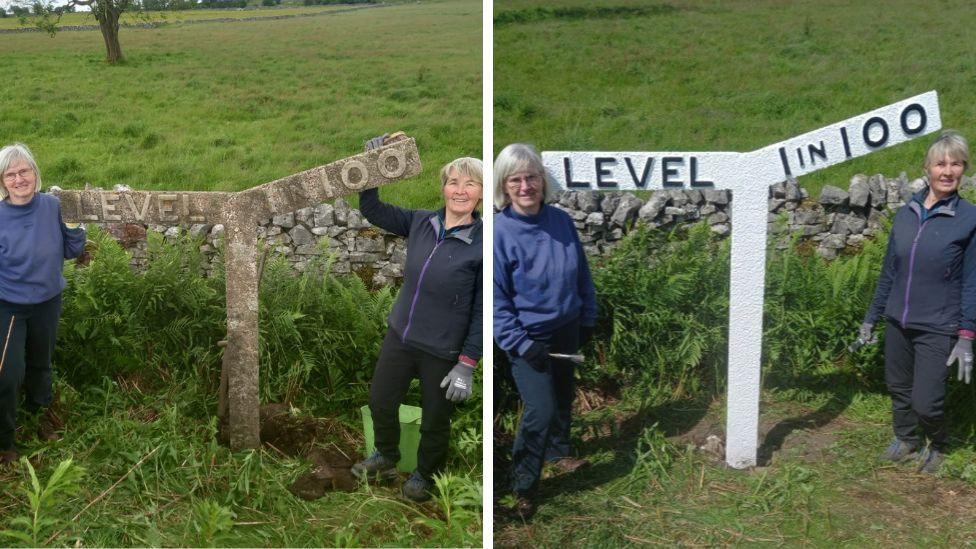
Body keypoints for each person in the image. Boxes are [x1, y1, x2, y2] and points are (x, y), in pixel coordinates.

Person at [350, 134, 483, 502]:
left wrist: (468, 364)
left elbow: (482, 310)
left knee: (435, 421)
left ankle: (425, 475)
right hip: (401, 337)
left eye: (470, 183)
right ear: (443, 188)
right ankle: (387, 456)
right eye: (453, 181)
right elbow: (373, 210)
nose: (460, 190)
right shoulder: (421, 222)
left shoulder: (486, 243)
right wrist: (373, 166)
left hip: (443, 350)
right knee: (380, 400)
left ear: (482, 193)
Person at [858, 130, 976, 475]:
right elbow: (889, 272)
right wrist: (871, 318)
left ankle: (938, 444)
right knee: (898, 388)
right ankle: (906, 439)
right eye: (941, 163)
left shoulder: (969, 219)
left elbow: (973, 281)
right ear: (927, 168)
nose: (948, 171)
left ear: (963, 170)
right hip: (898, 320)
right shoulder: (906, 213)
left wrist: (967, 335)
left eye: (956, 164)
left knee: (927, 400)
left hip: (938, 325)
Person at [493, 143, 597, 518]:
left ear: (542, 180)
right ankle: (523, 487)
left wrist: (587, 318)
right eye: (515, 179)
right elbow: (495, 303)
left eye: (532, 177)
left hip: (567, 326)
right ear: (504, 186)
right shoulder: (499, 233)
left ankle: (559, 453)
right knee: (540, 408)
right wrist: (521, 344)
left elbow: (581, 273)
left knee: (564, 394)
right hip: (526, 338)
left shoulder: (560, 220)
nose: (525, 186)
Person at [0, 143, 86, 464]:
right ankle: (5, 441)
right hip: (8, 307)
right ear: (2, 182)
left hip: (48, 301)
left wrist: (76, 226)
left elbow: (71, 251)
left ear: (35, 173)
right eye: (11, 174)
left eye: (24, 171)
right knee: (8, 373)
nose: (19, 179)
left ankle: (40, 419)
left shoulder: (51, 206)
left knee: (41, 363)